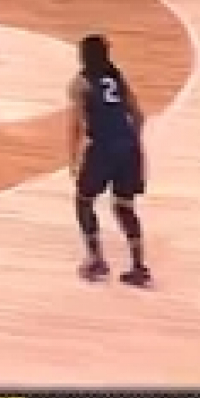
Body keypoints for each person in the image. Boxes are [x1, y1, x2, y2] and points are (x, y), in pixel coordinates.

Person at [65, 35, 150, 286]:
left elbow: (75, 125)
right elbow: (139, 116)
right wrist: (131, 142)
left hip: (102, 149)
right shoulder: (117, 77)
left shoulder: (80, 83)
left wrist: (73, 159)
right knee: (124, 206)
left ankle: (96, 260)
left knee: (83, 201)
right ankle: (138, 266)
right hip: (129, 148)